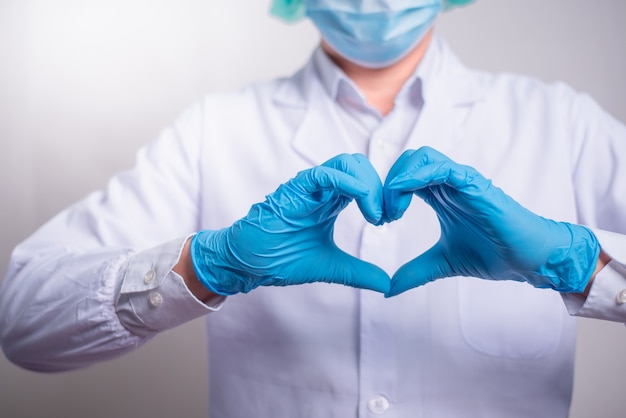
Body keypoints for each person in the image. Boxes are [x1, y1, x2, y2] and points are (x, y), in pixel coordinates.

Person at [1, 0, 625, 416]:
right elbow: (23, 319)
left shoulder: (562, 125)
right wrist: (205, 267)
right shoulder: (214, 130)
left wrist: (581, 264)